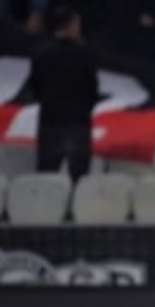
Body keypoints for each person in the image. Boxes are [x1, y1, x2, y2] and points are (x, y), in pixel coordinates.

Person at [29, 2, 98, 182]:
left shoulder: (41, 53)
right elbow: (92, 88)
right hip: (78, 122)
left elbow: (35, 87)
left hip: (50, 122)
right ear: (72, 25)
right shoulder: (85, 54)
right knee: (80, 180)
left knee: (46, 179)